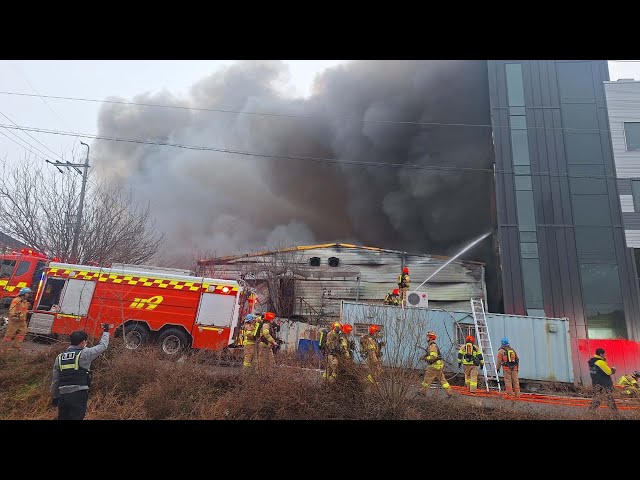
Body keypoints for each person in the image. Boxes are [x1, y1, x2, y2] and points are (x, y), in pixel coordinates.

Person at [50, 323, 111, 420]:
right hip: (78, 394)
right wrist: (106, 331)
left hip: (63, 396)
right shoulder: (85, 354)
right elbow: (102, 346)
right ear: (83, 342)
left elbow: (55, 380)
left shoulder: (60, 357)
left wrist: (55, 397)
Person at [420, 331, 453, 398]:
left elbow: (433, 356)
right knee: (443, 381)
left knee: (427, 379)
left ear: (430, 338)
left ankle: (422, 392)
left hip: (434, 366)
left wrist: (425, 358)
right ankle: (450, 393)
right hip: (438, 366)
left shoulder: (432, 346)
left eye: (427, 337)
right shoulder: (432, 345)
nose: (426, 338)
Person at [588, 347, 618, 412]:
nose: (605, 355)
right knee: (610, 400)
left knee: (597, 400)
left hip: (596, 384)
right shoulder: (600, 362)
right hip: (604, 385)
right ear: (601, 354)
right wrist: (613, 369)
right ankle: (616, 416)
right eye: (604, 354)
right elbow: (609, 372)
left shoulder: (592, 362)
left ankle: (590, 413)